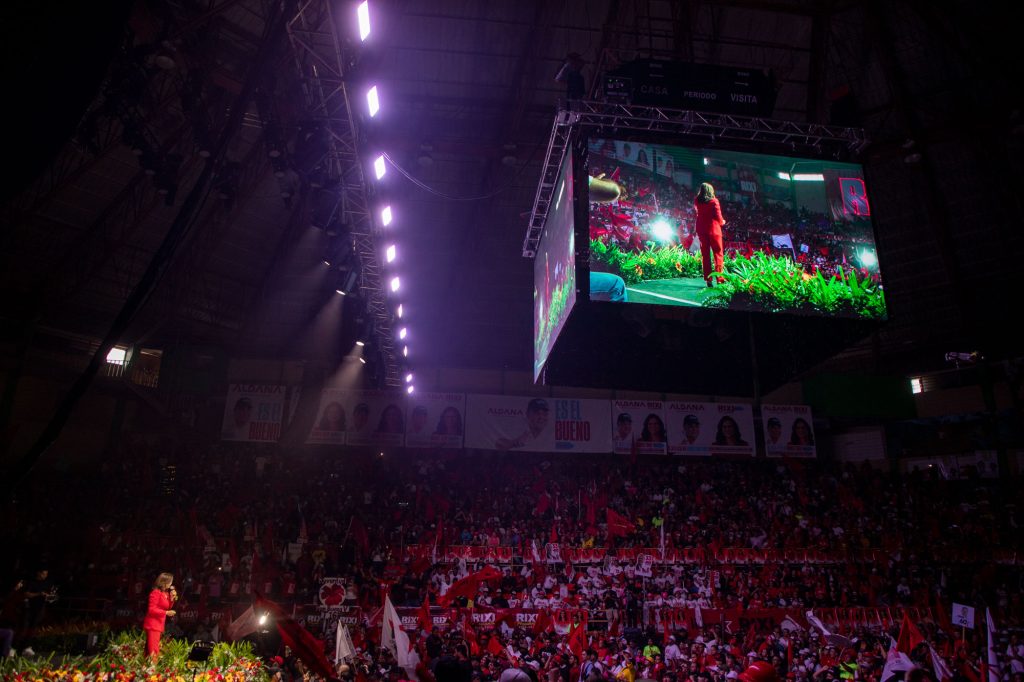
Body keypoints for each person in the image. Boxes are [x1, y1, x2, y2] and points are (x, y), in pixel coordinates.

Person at [694, 182, 727, 286]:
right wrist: (723, 222)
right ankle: (719, 279)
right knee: (718, 254)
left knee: (705, 255)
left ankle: (708, 279)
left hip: (701, 229)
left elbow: (699, 213)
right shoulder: (714, 201)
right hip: (714, 230)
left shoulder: (697, 201)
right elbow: (718, 216)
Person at [142, 572, 177, 659]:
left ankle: (147, 669)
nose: (171, 584)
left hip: (159, 624)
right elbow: (151, 610)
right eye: (170, 582)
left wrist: (172, 599)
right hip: (153, 624)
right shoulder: (155, 593)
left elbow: (168, 606)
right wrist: (166, 613)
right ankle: (153, 670)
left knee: (151, 649)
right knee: (153, 650)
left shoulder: (165, 594)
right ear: (164, 582)